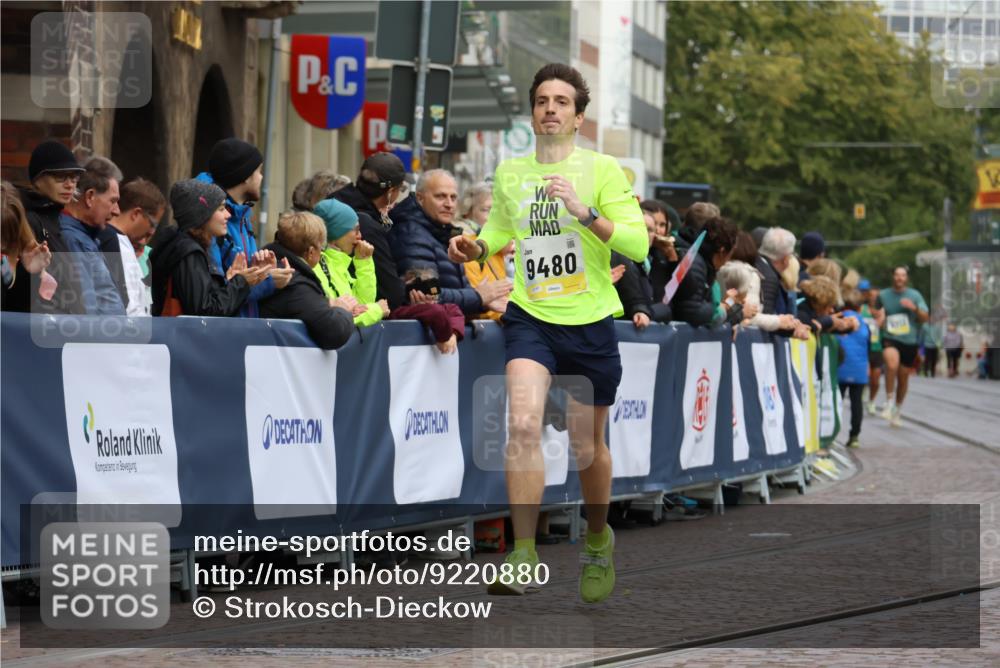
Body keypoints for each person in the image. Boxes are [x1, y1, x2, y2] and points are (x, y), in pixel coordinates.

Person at [448, 63, 648, 603]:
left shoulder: (603, 169)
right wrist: (476, 246)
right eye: (542, 100)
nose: (551, 109)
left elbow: (636, 244)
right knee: (521, 425)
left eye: (562, 102)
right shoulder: (511, 173)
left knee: (587, 448)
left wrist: (585, 213)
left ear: (579, 117)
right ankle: (523, 553)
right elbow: (499, 230)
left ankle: (599, 540)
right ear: (533, 112)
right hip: (531, 316)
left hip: (589, 321)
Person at [390, 169, 511, 316]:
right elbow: (428, 291)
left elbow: (454, 288)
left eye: (453, 197)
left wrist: (481, 301)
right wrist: (478, 296)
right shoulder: (412, 233)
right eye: (440, 196)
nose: (449, 204)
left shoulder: (443, 231)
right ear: (420, 198)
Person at [196, 137, 292, 318]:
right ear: (246, 176)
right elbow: (217, 295)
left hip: (243, 327)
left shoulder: (242, 216)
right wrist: (268, 281)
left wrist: (261, 271)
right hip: (224, 330)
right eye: (259, 171)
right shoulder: (210, 222)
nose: (262, 177)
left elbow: (239, 282)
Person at [150, 179, 268, 317]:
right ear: (201, 215)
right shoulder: (189, 253)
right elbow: (204, 313)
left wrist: (230, 282)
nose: (228, 215)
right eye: (221, 209)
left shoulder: (184, 246)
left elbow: (204, 302)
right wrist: (241, 282)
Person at [259, 210, 355, 349]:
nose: (322, 253)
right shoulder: (295, 282)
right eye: (321, 248)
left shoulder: (273, 266)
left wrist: (327, 303)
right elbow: (334, 331)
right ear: (310, 252)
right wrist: (343, 310)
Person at [8, 140, 85, 313]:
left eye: (74, 177)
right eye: (60, 177)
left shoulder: (55, 219)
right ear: (38, 179)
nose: (70, 184)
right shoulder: (28, 220)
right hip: (42, 325)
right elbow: (15, 290)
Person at [330, 152, 408, 308]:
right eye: (401, 189)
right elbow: (391, 293)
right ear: (390, 192)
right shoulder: (366, 225)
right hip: (352, 310)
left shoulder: (330, 205)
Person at [59, 156, 126, 315]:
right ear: (90, 197)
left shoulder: (84, 236)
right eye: (112, 201)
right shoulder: (73, 240)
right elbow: (86, 312)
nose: (117, 211)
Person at [311, 198, 389, 328]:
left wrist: (364, 262)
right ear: (337, 232)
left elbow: (362, 304)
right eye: (356, 230)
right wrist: (376, 310)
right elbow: (336, 322)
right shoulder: (316, 267)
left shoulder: (337, 264)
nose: (360, 236)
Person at [872, 266, 929, 427]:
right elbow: (876, 312)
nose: (899, 278)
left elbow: (925, 318)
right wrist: (879, 318)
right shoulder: (883, 295)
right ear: (893, 277)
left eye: (903, 275)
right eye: (897, 275)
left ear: (906, 278)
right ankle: (889, 401)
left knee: (903, 377)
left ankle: (897, 409)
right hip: (890, 337)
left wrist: (914, 308)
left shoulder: (915, 295)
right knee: (891, 365)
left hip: (909, 341)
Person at [103, 178, 166, 317]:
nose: (151, 231)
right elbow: (130, 307)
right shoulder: (116, 243)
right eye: (152, 224)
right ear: (136, 213)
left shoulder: (120, 242)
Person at [672, 216, 744, 327]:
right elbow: (692, 313)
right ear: (722, 251)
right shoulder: (696, 264)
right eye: (732, 252)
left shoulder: (706, 267)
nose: (729, 259)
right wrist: (724, 307)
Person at [2, 181, 52, 306]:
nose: (2, 246)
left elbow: (16, 313)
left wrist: (29, 273)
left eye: (7, 238)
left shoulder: (18, 257)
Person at [837, 289, 870, 448]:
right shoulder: (864, 324)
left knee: (836, 401)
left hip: (839, 368)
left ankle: (832, 433)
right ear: (860, 307)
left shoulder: (838, 319)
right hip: (859, 369)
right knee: (857, 403)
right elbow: (869, 346)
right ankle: (854, 436)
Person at [858, 279, 885, 414]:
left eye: (877, 296)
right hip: (864, 348)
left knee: (876, 379)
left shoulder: (883, 311)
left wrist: (880, 316)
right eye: (872, 296)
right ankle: (863, 390)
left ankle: (872, 401)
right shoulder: (861, 309)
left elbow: (882, 325)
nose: (874, 298)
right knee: (867, 374)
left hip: (877, 348)